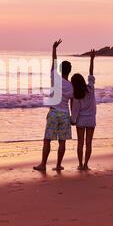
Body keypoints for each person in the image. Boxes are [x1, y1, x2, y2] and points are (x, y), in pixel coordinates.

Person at [33, 39, 73, 171]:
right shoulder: (71, 86)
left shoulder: (55, 78)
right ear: (70, 71)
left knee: (47, 140)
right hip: (65, 114)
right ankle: (58, 165)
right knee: (62, 142)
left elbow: (54, 64)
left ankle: (43, 164)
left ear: (61, 70)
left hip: (54, 112)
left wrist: (54, 49)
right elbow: (73, 100)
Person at [70, 49, 96, 170]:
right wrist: (91, 59)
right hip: (91, 119)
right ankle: (86, 165)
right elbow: (91, 73)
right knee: (89, 143)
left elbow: (75, 111)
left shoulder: (76, 95)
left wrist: (72, 120)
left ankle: (80, 164)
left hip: (80, 120)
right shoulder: (90, 88)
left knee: (80, 143)